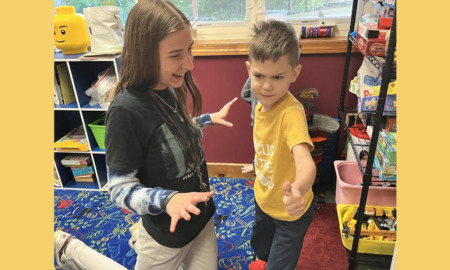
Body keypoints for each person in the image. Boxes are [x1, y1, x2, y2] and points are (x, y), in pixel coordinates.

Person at [54, 0, 237, 269]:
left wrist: (206, 120)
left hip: (200, 218)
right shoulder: (126, 110)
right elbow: (118, 188)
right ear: (144, 54)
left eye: (190, 50)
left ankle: (138, 235)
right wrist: (167, 200)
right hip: (165, 232)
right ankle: (69, 249)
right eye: (176, 55)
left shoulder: (168, 84)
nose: (188, 64)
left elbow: (170, 136)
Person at [245, 20, 316, 270]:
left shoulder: (291, 114)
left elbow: (305, 161)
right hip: (263, 200)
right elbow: (268, 146)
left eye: (277, 77)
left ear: (294, 74)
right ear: (248, 70)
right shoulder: (260, 104)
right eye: (259, 76)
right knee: (261, 248)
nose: (266, 86)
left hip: (291, 212)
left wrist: (299, 187)